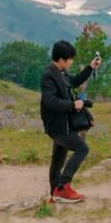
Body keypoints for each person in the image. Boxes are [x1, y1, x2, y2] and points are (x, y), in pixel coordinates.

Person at [40, 39, 102, 203]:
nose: (71, 62)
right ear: (61, 60)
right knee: (82, 149)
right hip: (58, 125)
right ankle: (63, 187)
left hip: (63, 124)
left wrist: (90, 68)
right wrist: (72, 104)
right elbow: (50, 101)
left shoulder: (60, 72)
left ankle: (55, 193)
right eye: (70, 59)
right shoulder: (49, 76)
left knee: (58, 158)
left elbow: (73, 81)